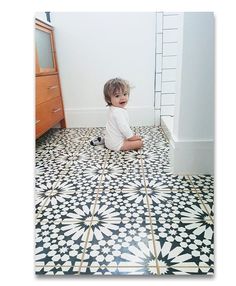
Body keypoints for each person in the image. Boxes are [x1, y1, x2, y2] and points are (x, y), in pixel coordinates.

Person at [90, 78, 143, 151]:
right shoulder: (118, 112)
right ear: (109, 99)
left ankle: (104, 140)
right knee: (139, 143)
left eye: (125, 94)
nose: (122, 98)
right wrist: (131, 137)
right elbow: (124, 127)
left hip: (110, 141)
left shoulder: (112, 108)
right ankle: (108, 142)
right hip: (117, 145)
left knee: (114, 134)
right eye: (117, 96)